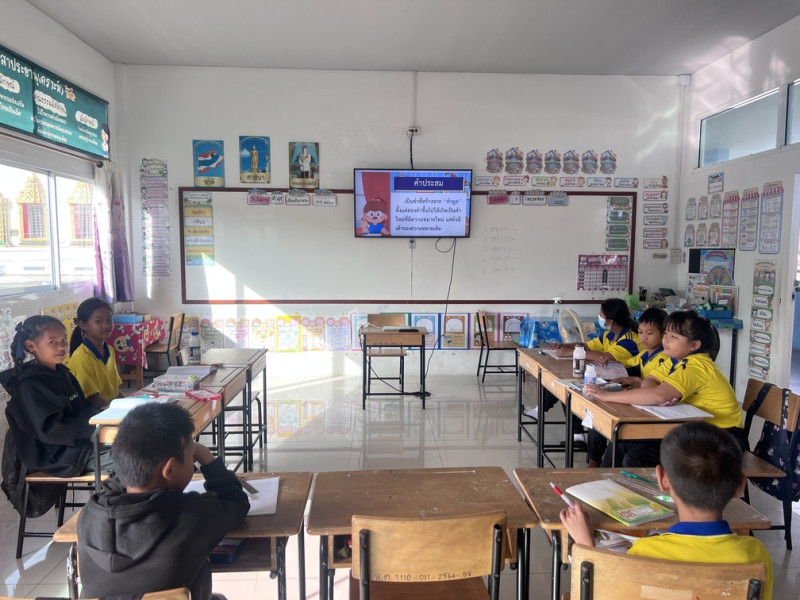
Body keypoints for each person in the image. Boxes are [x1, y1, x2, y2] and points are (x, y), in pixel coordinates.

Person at [560, 422, 773, 599]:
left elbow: (604, 593)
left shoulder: (645, 553)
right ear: (740, 485)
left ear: (662, 479)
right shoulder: (757, 555)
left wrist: (585, 545)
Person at [78, 403, 249, 600]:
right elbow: (235, 501)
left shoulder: (89, 515)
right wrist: (205, 457)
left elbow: (113, 488)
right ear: (170, 469)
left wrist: (129, 464)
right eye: (190, 454)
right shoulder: (191, 516)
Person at [583, 310, 744, 467]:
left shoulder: (697, 365)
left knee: (636, 457)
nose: (666, 339)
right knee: (623, 441)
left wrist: (606, 396)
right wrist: (656, 394)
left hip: (722, 439)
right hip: (694, 431)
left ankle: (632, 485)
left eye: (674, 337)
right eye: (666, 333)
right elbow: (650, 381)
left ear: (694, 345)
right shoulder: (674, 360)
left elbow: (657, 395)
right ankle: (605, 481)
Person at [0, 316, 100, 476]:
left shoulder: (63, 373)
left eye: (64, 340)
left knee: (136, 442)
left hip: (80, 445)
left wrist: (102, 415)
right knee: (135, 458)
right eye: (52, 341)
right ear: (31, 345)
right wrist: (94, 423)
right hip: (59, 457)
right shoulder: (29, 385)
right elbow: (54, 431)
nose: (62, 346)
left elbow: (82, 408)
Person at [586, 307, 667, 467]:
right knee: (598, 412)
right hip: (640, 404)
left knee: (617, 431)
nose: (643, 337)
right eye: (641, 332)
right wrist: (608, 362)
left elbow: (656, 388)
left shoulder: (664, 358)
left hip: (652, 411)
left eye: (649, 333)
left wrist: (637, 380)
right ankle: (596, 462)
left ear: (664, 334)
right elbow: (626, 363)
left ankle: (597, 463)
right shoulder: (646, 354)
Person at [551, 298, 642, 365]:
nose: (598, 317)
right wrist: (565, 346)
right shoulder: (609, 335)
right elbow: (587, 347)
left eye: (600, 316)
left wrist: (571, 352)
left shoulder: (629, 340)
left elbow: (608, 358)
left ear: (610, 322)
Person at [67, 298, 122, 408]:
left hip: (109, 408)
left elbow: (115, 392)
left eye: (109, 319)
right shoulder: (81, 357)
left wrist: (129, 405)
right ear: (83, 325)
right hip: (94, 413)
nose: (106, 325)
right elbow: (92, 398)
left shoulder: (110, 350)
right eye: (99, 321)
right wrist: (116, 411)